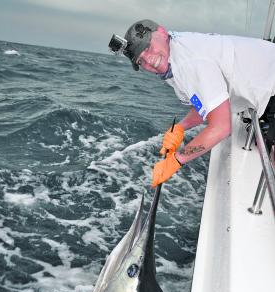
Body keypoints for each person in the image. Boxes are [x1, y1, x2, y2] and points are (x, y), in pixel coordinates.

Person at [108, 20, 275, 187]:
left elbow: (221, 127)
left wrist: (176, 160)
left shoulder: (189, 62)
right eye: (140, 61)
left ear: (162, 32)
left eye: (147, 48)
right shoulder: (172, 57)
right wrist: (180, 127)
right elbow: (202, 101)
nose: (149, 61)